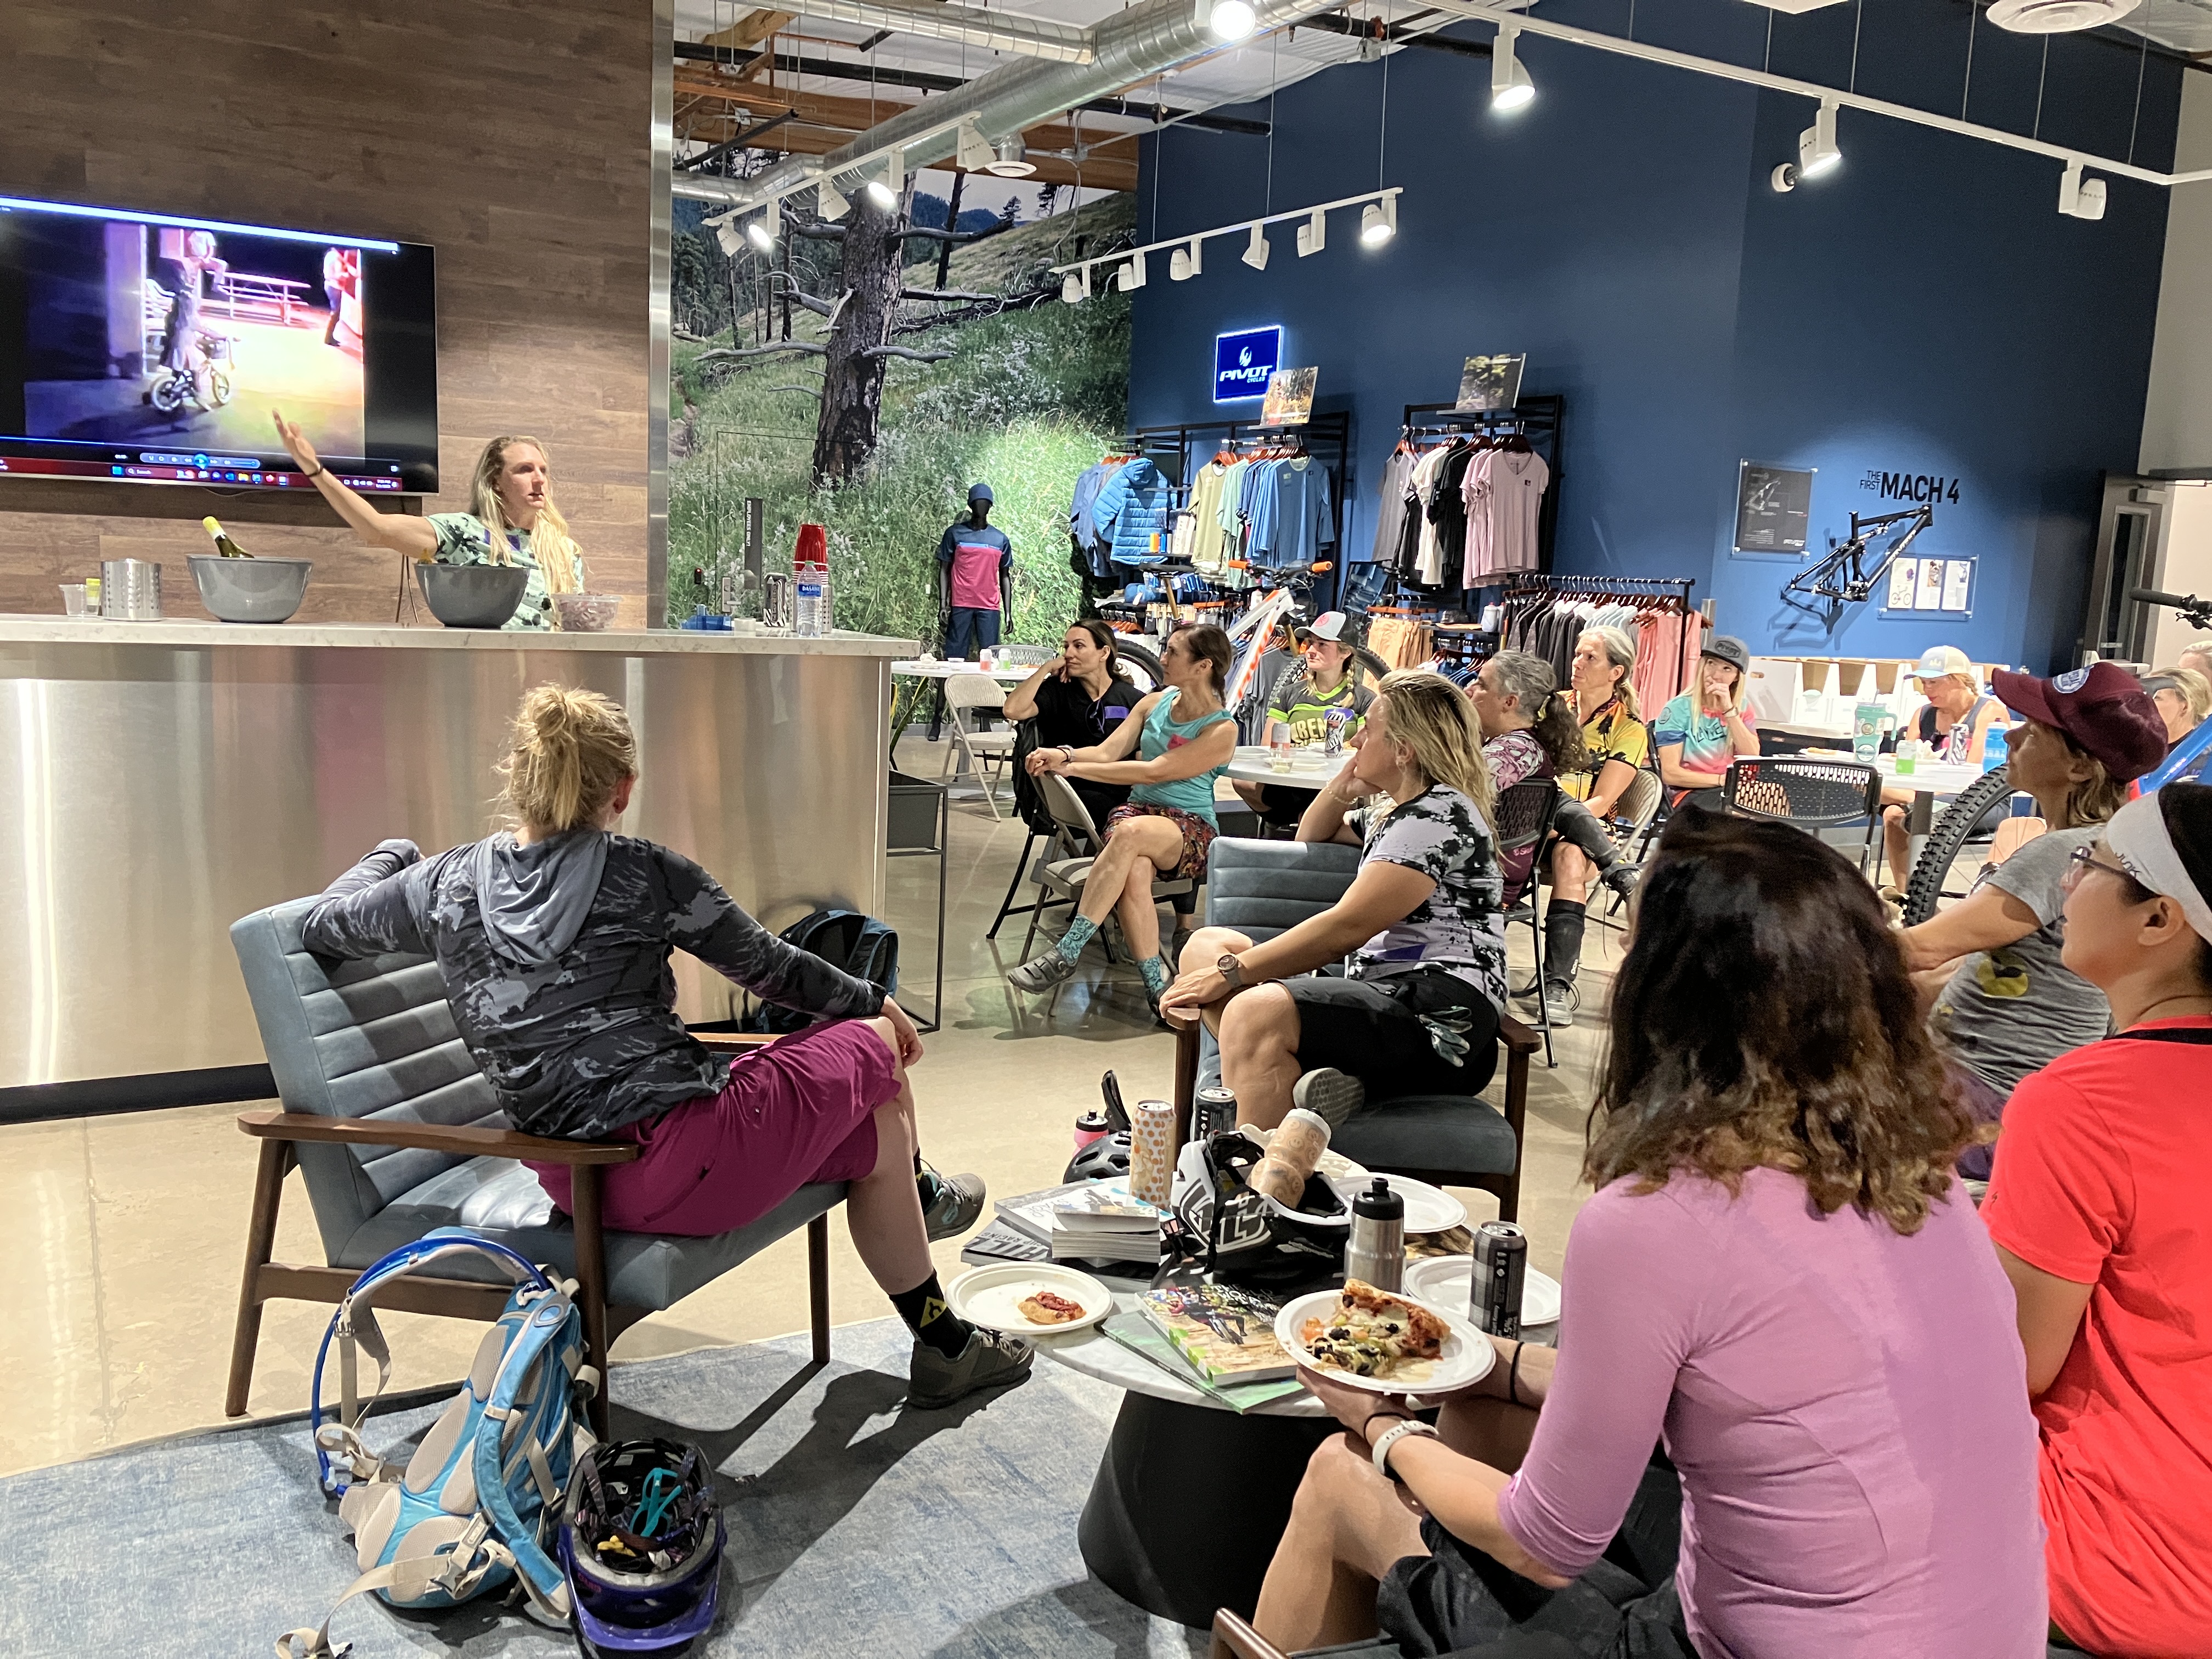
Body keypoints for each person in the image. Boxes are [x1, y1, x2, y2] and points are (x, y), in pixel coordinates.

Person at [1252, 812, 2046, 1659]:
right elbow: (1737, 1394)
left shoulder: (1658, 1219)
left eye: (1630, 948)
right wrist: (1491, 1360)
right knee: (1481, 1408)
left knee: (1340, 1477)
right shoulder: (1921, 1177)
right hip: (1988, 1632)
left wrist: (1379, 1426)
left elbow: (1548, 1544)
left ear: (1671, 995)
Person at [297, 685, 1029, 1409]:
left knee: (878, 1128)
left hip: (578, 1183)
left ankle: (946, 1344)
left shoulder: (440, 883)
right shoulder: (645, 872)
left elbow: (321, 923)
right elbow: (772, 969)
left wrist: (393, 855)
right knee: (874, 1042)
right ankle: (925, 1203)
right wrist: (876, 1002)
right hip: (688, 1159)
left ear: (517, 778)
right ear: (623, 790)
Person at [1980, 785, 2212, 1659]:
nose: (2068, 884)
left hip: (2115, 1569)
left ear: (2159, 919)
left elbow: (2011, 1365)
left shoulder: (2082, 1104)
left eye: (2092, 863)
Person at [1162, 671, 1504, 1131]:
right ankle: (1312, 1081)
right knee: (1205, 946)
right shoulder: (1399, 811)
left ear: (1403, 750)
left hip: (1438, 1015)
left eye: (1368, 731)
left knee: (1250, 1007)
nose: (1355, 740)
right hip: (1384, 997)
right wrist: (1342, 788)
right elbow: (1313, 833)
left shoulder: (1435, 818)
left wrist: (1232, 974)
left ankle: (1256, 1163)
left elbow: (1346, 929)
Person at [1898, 663, 2166, 1179]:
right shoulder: (2104, 844)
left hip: (1984, 1101)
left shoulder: (2063, 853)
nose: (2011, 735)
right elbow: (1957, 969)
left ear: (2080, 768)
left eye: (2035, 731)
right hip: (2006, 1095)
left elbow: (1921, 950)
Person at [1006, 624, 1238, 1012]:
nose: (1163, 658)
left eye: (1173, 652)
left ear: (1203, 666)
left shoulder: (1221, 729)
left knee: (1129, 834)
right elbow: (1107, 751)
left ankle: (1069, 949)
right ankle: (1157, 989)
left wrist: (1072, 769)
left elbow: (1153, 772)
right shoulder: (1153, 704)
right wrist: (1064, 754)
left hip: (1188, 828)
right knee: (1134, 871)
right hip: (1139, 815)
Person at [273, 415, 587, 631]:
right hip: (485, 671)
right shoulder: (464, 533)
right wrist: (315, 470)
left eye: (543, 470)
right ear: (496, 482)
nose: (539, 479)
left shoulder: (563, 550)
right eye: (524, 470)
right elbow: (376, 529)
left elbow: (576, 626)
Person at [1525, 626, 1649, 1030]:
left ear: (1616, 672)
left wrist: (1552, 822)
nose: (1577, 662)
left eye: (1590, 657)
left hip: (1584, 831)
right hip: (1526, 820)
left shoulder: (1629, 728)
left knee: (1570, 857)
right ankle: (1622, 873)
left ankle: (1557, 984)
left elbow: (1602, 800)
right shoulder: (1549, 707)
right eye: (1578, 654)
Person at [1233, 611, 1376, 831]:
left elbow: (1364, 754)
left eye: (1322, 644)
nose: (1310, 650)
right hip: (1291, 784)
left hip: (1335, 785)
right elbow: (1269, 747)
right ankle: (1301, 822)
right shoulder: (1290, 694)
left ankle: (1306, 824)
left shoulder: (1364, 699)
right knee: (1242, 782)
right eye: (1310, 643)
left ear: (1345, 652)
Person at [1880, 645, 2004, 891]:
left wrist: (1915, 790)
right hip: (1924, 794)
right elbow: (1907, 764)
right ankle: (1906, 898)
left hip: (1978, 801)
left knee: (1885, 796)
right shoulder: (1923, 714)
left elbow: (1974, 777)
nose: (1927, 690)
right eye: (1924, 683)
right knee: (1892, 813)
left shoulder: (1989, 713)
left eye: (1934, 683)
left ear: (1959, 680)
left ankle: (1916, 898)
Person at [1002, 619, 1141, 828]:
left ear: (1104, 653)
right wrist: (1046, 669)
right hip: (1070, 791)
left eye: (1079, 646)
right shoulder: (1058, 690)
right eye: (1066, 647)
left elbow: (1141, 756)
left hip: (1118, 788)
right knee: (1115, 813)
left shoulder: (1131, 698)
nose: (1069, 654)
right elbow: (1012, 710)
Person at [1651, 633, 1760, 814]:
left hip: (1732, 790)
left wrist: (1729, 711)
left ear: (1736, 677)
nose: (1716, 675)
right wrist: (1721, 780)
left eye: (1727, 669)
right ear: (1702, 666)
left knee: (1776, 799)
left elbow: (1752, 756)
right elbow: (1670, 774)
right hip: (1689, 793)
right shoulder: (1677, 709)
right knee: (1739, 811)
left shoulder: (1742, 707)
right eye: (1711, 664)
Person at [937, 483, 1013, 661]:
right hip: (961, 603)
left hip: (989, 606)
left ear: (991, 506)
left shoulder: (1000, 539)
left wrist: (1008, 612)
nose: (981, 507)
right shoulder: (955, 534)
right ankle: (952, 681)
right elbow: (944, 569)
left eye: (985, 503)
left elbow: (1005, 576)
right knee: (955, 657)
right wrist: (943, 604)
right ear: (970, 504)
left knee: (991, 658)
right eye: (977, 502)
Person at [2134, 662, 2212, 792]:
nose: (2144, 703)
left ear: (2185, 707)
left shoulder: (2204, 758)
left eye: (2157, 698)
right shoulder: (2136, 747)